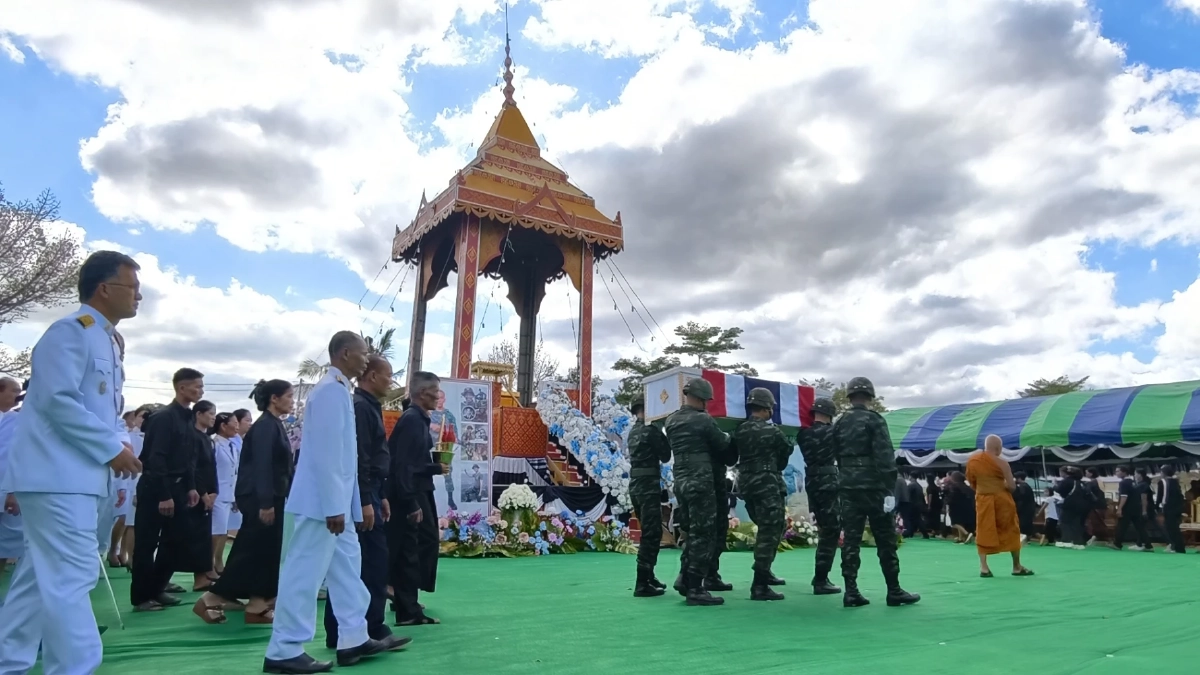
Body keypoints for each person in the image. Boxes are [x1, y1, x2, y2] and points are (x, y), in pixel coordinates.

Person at [0, 250, 144, 674]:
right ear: (104, 289)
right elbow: (56, 400)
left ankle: (9, 660)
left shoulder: (108, 339)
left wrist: (120, 443)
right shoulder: (71, 332)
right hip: (57, 477)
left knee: (36, 579)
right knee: (73, 576)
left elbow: (106, 410)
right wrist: (110, 447)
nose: (139, 296)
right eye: (132, 287)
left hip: (78, 477)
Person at [265, 332, 396, 673]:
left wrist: (351, 505)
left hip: (338, 504)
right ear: (346, 353)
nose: (368, 358)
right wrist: (334, 506)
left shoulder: (339, 391)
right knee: (304, 573)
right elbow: (325, 456)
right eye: (364, 353)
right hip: (321, 505)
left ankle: (353, 637)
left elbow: (345, 457)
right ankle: (284, 648)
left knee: (348, 570)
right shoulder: (327, 392)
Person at [323, 355, 410, 650]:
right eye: (388, 375)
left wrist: (380, 495)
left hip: (372, 490)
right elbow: (357, 457)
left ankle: (363, 627)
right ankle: (359, 629)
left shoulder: (368, 406)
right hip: (361, 492)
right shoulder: (359, 406)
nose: (391, 381)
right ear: (372, 376)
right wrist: (363, 499)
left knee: (369, 563)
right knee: (365, 565)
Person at [195, 380, 295, 625]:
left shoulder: (274, 425)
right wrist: (265, 502)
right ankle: (213, 597)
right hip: (262, 497)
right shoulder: (265, 427)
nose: (293, 401)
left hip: (273, 495)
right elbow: (262, 465)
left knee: (265, 551)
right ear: (274, 398)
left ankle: (258, 601)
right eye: (290, 396)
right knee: (252, 549)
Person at [832, 377, 919, 608]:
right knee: (885, 540)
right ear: (870, 396)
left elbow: (837, 454)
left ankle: (851, 591)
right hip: (874, 487)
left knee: (850, 540)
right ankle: (894, 590)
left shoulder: (840, 422)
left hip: (848, 486)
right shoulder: (874, 420)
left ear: (849, 396)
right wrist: (890, 487)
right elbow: (884, 455)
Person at [131, 368, 205, 611]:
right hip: (156, 488)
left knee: (175, 542)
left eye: (202, 386)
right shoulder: (164, 417)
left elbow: (189, 457)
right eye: (196, 386)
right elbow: (155, 458)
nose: (200, 390)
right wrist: (164, 495)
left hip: (181, 488)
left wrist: (192, 487)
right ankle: (142, 597)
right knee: (147, 543)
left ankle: (158, 587)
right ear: (181, 388)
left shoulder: (188, 417)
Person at [387, 371, 449, 626]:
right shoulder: (412, 420)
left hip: (416, 489)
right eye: (436, 391)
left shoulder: (417, 419)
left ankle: (408, 604)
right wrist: (411, 502)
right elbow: (402, 466)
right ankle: (407, 608)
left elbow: (412, 462)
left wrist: (434, 467)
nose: (438, 396)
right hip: (411, 493)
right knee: (412, 549)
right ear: (423, 393)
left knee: (416, 547)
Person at [664, 377, 729, 606]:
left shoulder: (671, 420)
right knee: (704, 534)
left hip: (680, 480)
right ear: (702, 398)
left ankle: (685, 577)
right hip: (701, 481)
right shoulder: (704, 421)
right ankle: (695, 588)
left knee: (690, 531)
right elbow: (724, 449)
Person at [730, 388, 791, 601]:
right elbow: (785, 453)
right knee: (770, 530)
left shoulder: (739, 430)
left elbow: (731, 455)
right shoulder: (773, 432)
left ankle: (765, 572)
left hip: (747, 486)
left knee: (771, 527)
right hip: (768, 485)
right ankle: (760, 585)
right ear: (766, 409)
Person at [965, 436, 1033, 578]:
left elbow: (972, 482)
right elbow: (1013, 487)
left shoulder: (973, 461)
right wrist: (1001, 485)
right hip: (1002, 500)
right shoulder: (1002, 463)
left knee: (983, 529)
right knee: (1011, 530)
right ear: (998, 448)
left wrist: (985, 488)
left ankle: (984, 568)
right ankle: (1016, 566)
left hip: (983, 499)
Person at [627, 394, 672, 597]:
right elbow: (665, 455)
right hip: (648, 486)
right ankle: (642, 581)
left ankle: (649, 575)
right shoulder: (651, 430)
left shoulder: (634, 431)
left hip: (636, 485)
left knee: (648, 530)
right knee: (652, 534)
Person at [798, 397, 840, 594]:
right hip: (828, 482)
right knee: (831, 530)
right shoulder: (833, 433)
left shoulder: (803, 434)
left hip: (811, 482)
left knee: (824, 527)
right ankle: (821, 578)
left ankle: (821, 577)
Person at [178, 400, 218, 592]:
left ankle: (205, 573)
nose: (213, 418)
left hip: (209, 493)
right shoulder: (192, 437)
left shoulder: (207, 438)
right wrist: (202, 493)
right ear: (199, 414)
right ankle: (199, 577)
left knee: (204, 535)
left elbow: (212, 468)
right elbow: (192, 468)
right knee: (196, 537)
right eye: (210, 414)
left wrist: (214, 491)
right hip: (197, 494)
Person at [210, 412, 241, 575]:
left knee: (224, 531)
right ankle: (210, 565)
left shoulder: (233, 446)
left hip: (230, 494)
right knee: (216, 531)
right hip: (218, 493)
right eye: (234, 423)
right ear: (223, 426)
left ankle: (218, 561)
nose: (237, 427)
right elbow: (210, 470)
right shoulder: (214, 444)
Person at [0, 377, 25, 564]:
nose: (18, 396)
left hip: (6, 488)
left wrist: (13, 491)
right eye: (14, 391)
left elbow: (16, 458)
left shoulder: (18, 421)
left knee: (4, 544)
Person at [1110, 466, 1149, 552]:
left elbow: (1124, 496)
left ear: (1124, 472)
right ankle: (1148, 545)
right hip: (1135, 508)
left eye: (1118, 471)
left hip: (1127, 508)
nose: (1116, 473)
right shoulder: (1134, 482)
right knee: (1139, 527)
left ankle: (1117, 544)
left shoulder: (1123, 483)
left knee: (1122, 526)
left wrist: (1120, 508)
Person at [1156, 465, 1186, 554]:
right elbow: (1180, 496)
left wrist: (1157, 507)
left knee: (1170, 528)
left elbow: (1160, 496)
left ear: (1164, 473)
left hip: (1168, 507)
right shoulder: (1175, 482)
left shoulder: (1163, 482)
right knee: (1175, 528)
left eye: (1161, 472)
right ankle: (1179, 547)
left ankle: (1175, 547)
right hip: (1177, 508)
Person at [1012, 471, 1037, 542]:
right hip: (1028, 509)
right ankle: (1031, 537)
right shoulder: (1026, 486)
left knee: (1023, 524)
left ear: (1019, 478)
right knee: (1027, 524)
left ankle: (1024, 538)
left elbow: (1020, 497)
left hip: (1025, 510)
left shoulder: (1023, 487)